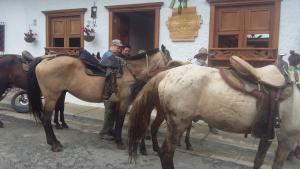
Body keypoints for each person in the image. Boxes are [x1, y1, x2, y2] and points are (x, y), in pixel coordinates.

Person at [99, 39, 123, 140]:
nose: (119, 49)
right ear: (112, 46)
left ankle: (109, 130)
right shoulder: (108, 55)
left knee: (112, 111)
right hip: (108, 89)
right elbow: (115, 65)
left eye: (119, 48)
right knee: (109, 111)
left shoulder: (114, 56)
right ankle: (103, 132)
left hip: (112, 89)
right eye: (117, 47)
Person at [193, 47, 218, 134]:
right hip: (196, 90)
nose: (205, 57)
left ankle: (211, 126)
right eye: (204, 56)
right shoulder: (195, 66)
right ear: (200, 56)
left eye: (206, 56)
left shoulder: (206, 65)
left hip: (205, 89)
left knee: (209, 108)